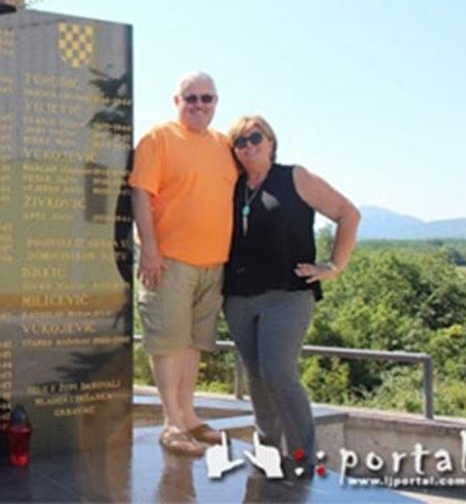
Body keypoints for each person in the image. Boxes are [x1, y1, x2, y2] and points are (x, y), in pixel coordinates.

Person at [223, 115, 360, 470]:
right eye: (240, 141)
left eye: (256, 138)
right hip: (238, 297)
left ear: (271, 141)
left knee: (278, 371)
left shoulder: (294, 177)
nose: (249, 146)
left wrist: (334, 266)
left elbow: (348, 213)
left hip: (288, 294)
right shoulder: (232, 185)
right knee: (256, 376)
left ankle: (302, 456)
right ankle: (267, 451)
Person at [129, 71, 238, 455]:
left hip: (214, 264)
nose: (198, 105)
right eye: (190, 98)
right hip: (169, 262)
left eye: (206, 98)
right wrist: (150, 249)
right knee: (168, 344)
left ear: (216, 103)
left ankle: (189, 416)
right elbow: (140, 195)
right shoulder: (158, 138)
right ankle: (171, 423)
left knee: (193, 344)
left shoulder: (223, 145)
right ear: (176, 101)